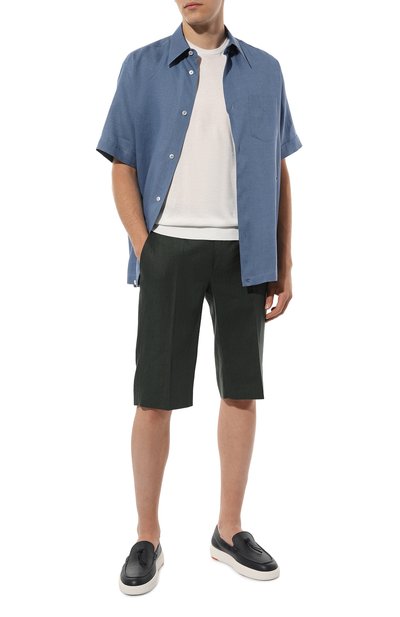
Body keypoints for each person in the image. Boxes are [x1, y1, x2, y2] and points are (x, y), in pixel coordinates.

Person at [96, 0, 302, 595]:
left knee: (241, 390)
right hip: (169, 248)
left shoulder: (265, 70)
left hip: (245, 253)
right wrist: (147, 248)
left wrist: (284, 260)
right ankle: (147, 536)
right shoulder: (141, 67)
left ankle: (228, 530)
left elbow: (278, 169)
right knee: (153, 398)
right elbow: (122, 164)